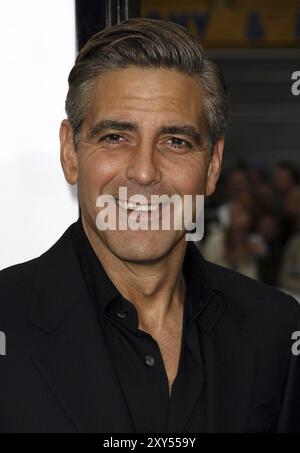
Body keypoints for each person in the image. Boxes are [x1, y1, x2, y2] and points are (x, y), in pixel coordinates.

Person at [0, 18, 299, 433]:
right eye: (115, 138)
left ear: (212, 166)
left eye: (175, 141)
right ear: (70, 152)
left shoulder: (277, 331)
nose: (143, 172)